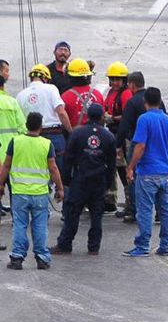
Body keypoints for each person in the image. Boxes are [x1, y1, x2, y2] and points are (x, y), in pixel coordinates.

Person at [0, 112, 64, 270]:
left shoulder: (15, 142)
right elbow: (53, 168)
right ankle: (42, 258)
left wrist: (1, 184)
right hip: (40, 194)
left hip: (19, 193)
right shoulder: (46, 144)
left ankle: (17, 257)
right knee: (40, 225)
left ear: (27, 125)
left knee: (20, 225)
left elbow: (6, 165)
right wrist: (60, 188)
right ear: (41, 127)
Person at [51, 104, 115, 256]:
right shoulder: (108, 136)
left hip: (80, 180)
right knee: (96, 215)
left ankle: (65, 244)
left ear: (87, 116)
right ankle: (94, 247)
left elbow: (68, 159)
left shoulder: (77, 134)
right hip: (99, 180)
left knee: (72, 213)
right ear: (101, 118)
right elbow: (111, 164)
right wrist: (108, 182)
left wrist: (66, 181)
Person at [123, 88, 168, 257]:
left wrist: (131, 167)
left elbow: (140, 145)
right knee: (165, 210)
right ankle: (166, 245)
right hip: (164, 172)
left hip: (147, 172)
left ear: (145, 102)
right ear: (160, 101)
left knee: (144, 210)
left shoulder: (144, 119)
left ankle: (143, 246)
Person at [116, 72, 165, 222]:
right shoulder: (158, 101)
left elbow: (124, 126)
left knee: (133, 175)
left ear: (131, 84)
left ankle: (133, 210)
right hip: (156, 143)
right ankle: (159, 212)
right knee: (156, 176)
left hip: (136, 143)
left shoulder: (132, 102)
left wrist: (118, 146)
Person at [16, 63, 73, 174]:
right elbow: (61, 112)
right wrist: (71, 131)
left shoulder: (20, 95)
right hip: (54, 136)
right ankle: (61, 191)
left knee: (38, 172)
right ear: (45, 78)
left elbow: (20, 122)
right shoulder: (51, 89)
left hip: (32, 138)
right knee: (61, 174)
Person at [0, 60, 28, 251]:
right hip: (11, 155)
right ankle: (18, 226)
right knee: (14, 191)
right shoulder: (11, 102)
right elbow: (23, 128)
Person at [103, 62, 133, 214]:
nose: (115, 82)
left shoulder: (125, 94)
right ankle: (110, 200)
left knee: (123, 169)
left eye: (118, 79)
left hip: (122, 135)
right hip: (112, 133)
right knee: (111, 167)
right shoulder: (110, 92)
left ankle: (130, 203)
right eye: (113, 79)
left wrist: (113, 118)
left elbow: (128, 115)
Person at [61, 58, 105, 128]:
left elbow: (62, 119)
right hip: (96, 136)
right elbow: (102, 118)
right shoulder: (98, 95)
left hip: (75, 136)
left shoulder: (65, 97)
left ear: (69, 76)